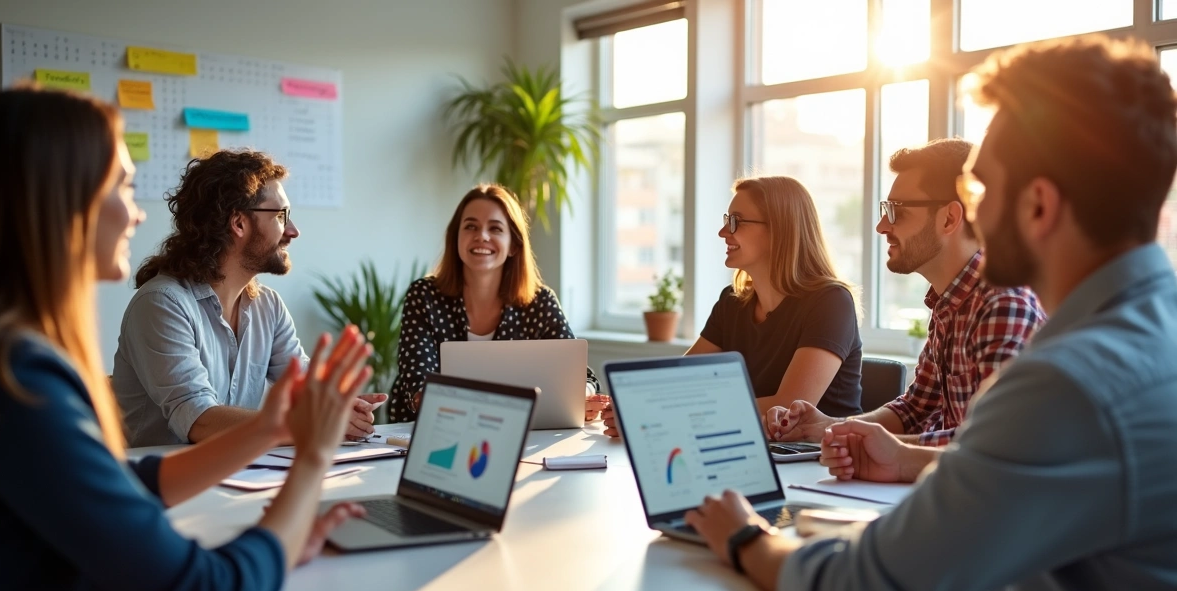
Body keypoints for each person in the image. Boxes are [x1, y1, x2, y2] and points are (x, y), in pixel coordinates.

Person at [685, 35, 1177, 591]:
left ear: (1039, 206)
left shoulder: (1067, 385)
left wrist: (743, 535)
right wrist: (907, 458)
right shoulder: (1155, 337)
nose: (972, 213)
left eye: (978, 191)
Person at [0, 87, 371, 591]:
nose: (135, 213)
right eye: (124, 186)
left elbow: (122, 483)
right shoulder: (16, 379)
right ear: (62, 199)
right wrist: (307, 466)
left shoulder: (0, 355)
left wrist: (276, 426)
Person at [769, 139, 1044, 447]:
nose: (882, 226)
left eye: (896, 211)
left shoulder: (1004, 304)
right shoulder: (948, 302)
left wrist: (891, 454)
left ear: (949, 219)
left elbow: (994, 441)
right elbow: (913, 410)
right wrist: (827, 427)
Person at [112, 149, 387, 446]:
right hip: (155, 484)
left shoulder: (268, 306)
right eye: (281, 215)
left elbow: (306, 385)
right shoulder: (162, 303)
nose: (293, 231)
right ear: (239, 223)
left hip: (237, 476)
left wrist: (344, 405)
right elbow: (198, 419)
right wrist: (313, 421)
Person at [602, 175, 863, 437]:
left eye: (736, 221)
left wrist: (659, 415)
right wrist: (635, 406)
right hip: (748, 449)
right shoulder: (732, 301)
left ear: (780, 230)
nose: (723, 232)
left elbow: (787, 410)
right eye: (726, 221)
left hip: (823, 463)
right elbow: (679, 382)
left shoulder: (831, 302)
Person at [389, 184, 604, 423]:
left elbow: (581, 376)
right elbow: (417, 378)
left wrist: (583, 396)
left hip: (522, 435)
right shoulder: (424, 295)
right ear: (456, 238)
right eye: (470, 226)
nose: (482, 236)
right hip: (421, 432)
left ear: (513, 245)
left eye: (495, 228)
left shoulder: (540, 302)